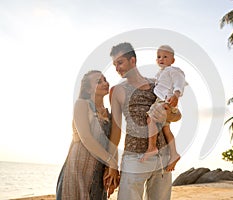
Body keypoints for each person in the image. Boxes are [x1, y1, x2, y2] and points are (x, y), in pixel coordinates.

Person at [105, 42, 181, 200]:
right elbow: (116, 130)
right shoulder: (117, 90)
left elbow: (177, 115)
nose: (117, 68)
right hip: (134, 158)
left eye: (120, 62)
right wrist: (112, 165)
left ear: (132, 60)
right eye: (114, 64)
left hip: (163, 159)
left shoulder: (157, 84)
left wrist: (167, 116)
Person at [56, 70, 118, 200]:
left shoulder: (109, 114)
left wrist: (113, 169)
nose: (105, 83)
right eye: (98, 81)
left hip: (99, 170)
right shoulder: (81, 104)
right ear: (89, 90)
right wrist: (111, 161)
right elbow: (86, 138)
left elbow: (112, 144)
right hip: (77, 170)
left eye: (105, 80)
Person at [141, 45, 186, 172]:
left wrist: (176, 94)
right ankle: (174, 153)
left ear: (173, 60)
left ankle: (152, 147)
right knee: (166, 129)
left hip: (165, 101)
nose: (161, 59)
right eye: (159, 57)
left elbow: (179, 82)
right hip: (165, 101)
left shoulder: (173, 70)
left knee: (150, 118)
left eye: (165, 57)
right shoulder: (161, 73)